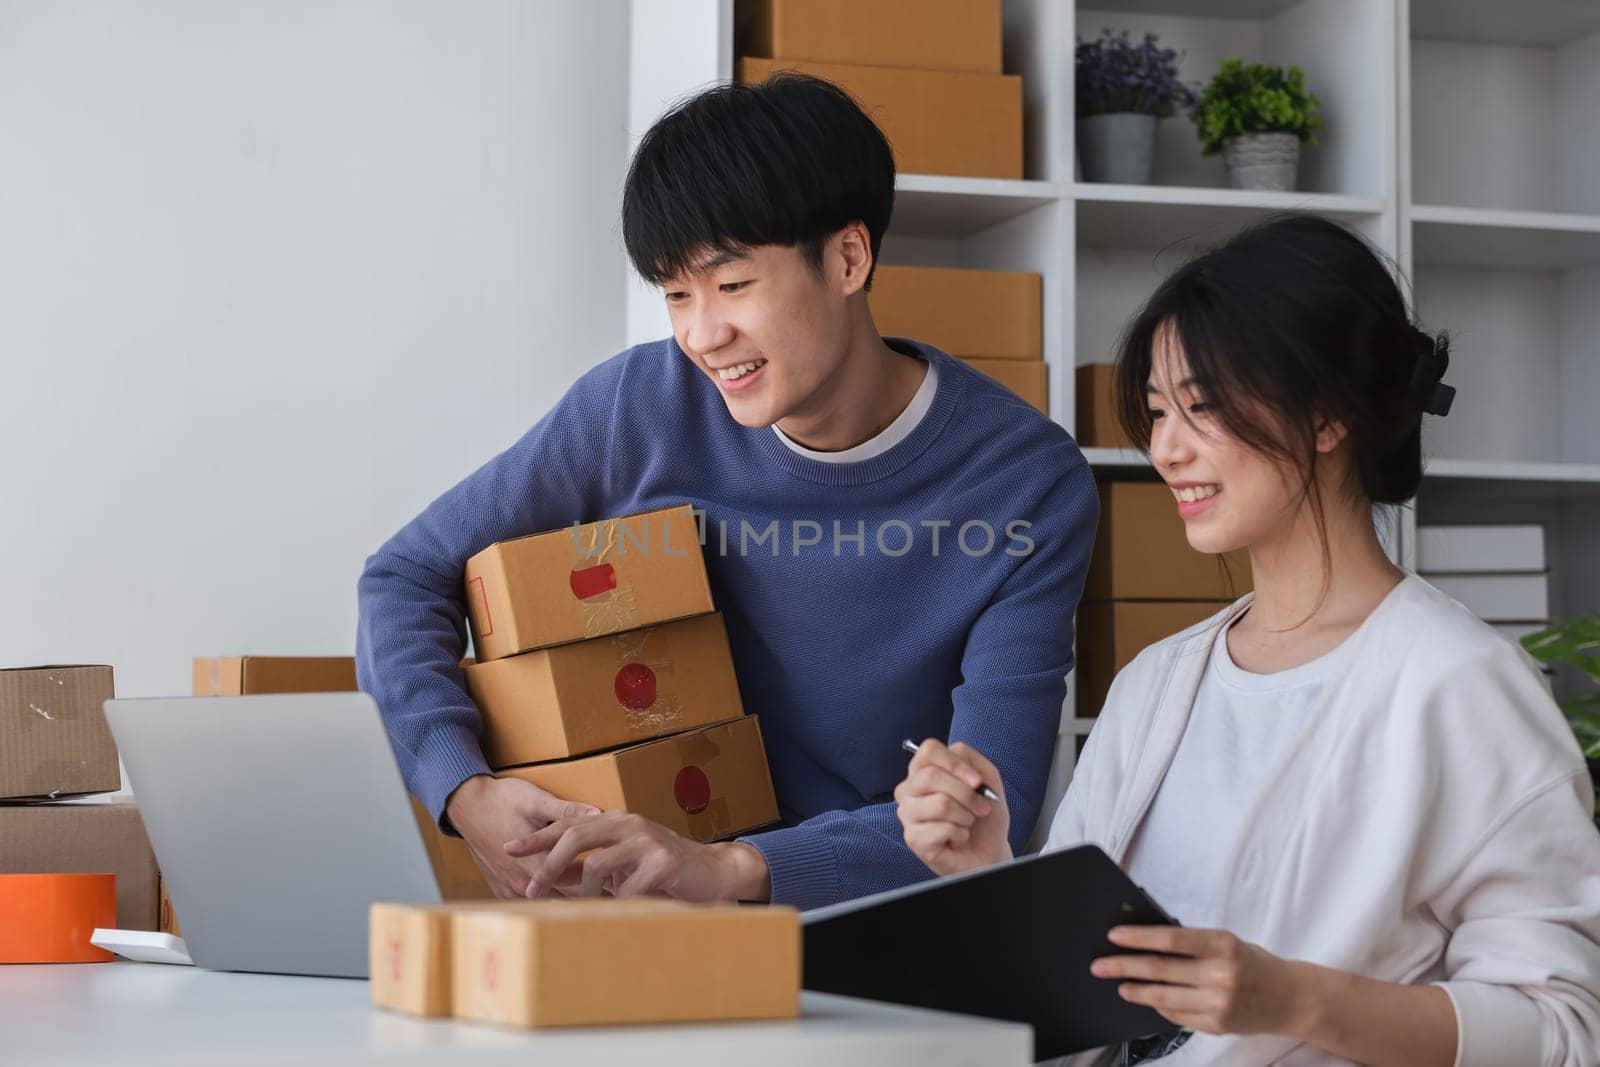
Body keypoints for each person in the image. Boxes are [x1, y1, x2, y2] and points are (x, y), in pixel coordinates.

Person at [355, 73, 1098, 909]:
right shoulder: (639, 405)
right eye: (677, 294)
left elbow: (992, 810)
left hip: (850, 928)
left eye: (733, 285)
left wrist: (729, 868)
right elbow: (405, 573)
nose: (703, 334)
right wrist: (464, 791)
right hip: (622, 915)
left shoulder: (1024, 484)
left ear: (848, 257)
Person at [895, 215, 1600, 1065]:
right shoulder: (1157, 681)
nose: (1165, 449)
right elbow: (1082, 999)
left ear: (1328, 415)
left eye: (1203, 408)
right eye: (1157, 412)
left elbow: (1563, 1029)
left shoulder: (1458, 684)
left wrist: (1297, 999)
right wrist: (986, 867)